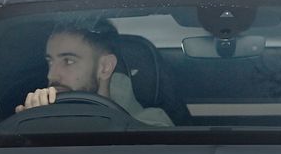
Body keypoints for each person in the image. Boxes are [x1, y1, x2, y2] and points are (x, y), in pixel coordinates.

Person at [15, 19, 174, 127]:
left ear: (105, 67)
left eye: (68, 61)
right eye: (50, 61)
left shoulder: (151, 125)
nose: (51, 76)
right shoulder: (38, 116)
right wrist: (31, 126)